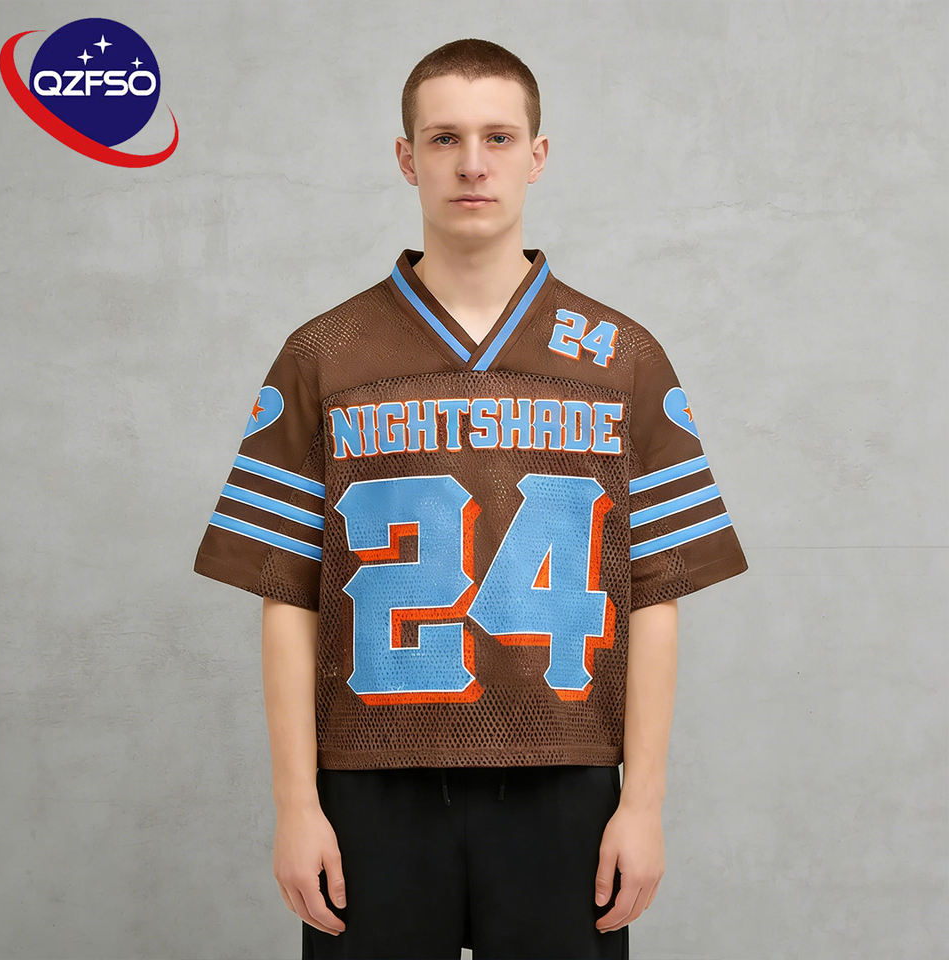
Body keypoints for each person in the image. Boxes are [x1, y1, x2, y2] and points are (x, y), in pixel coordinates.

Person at [193, 37, 748, 960]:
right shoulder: (324, 353)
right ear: (406, 157)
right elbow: (287, 594)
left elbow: (655, 594)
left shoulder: (622, 357)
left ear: (538, 154)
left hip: (566, 779)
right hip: (369, 782)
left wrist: (642, 804)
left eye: (499, 137)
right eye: (444, 138)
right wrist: (296, 804)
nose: (473, 164)